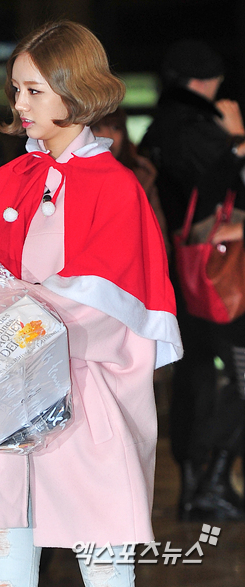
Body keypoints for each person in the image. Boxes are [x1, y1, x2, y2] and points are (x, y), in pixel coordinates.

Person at [0, 21, 182, 587]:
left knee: (106, 573)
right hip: (4, 403)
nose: (20, 104)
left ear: (76, 91)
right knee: (5, 570)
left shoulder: (115, 186)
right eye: (16, 89)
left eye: (34, 90)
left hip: (86, 402)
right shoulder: (5, 181)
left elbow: (106, 306)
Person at [139, 38, 245, 522]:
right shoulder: (204, 130)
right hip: (220, 276)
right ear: (208, 82)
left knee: (195, 377)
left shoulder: (157, 130)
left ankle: (194, 486)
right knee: (231, 376)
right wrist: (237, 139)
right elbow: (220, 195)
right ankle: (213, 481)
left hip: (175, 276)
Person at [91, 107, 170, 255]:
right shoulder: (72, 177)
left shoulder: (142, 176)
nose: (108, 137)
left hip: (132, 262)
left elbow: (159, 240)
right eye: (97, 128)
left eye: (115, 128)